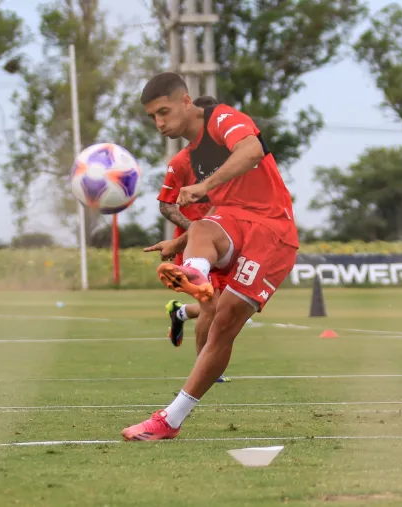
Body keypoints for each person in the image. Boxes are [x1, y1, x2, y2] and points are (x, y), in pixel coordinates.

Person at [122, 72, 298, 441]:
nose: (159, 123)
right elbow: (177, 206)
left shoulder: (221, 118)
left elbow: (251, 151)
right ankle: (196, 274)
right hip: (232, 221)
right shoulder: (186, 157)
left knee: (224, 324)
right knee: (201, 230)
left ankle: (172, 417)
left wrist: (203, 186)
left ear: (186, 102)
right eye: (153, 116)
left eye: (164, 112)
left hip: (273, 230)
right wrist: (178, 242)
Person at [157, 95, 218, 348]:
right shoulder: (181, 161)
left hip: (225, 239)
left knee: (224, 305)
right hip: (194, 246)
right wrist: (195, 230)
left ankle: (179, 313)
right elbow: (165, 205)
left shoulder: (229, 157)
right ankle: (204, 372)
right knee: (211, 306)